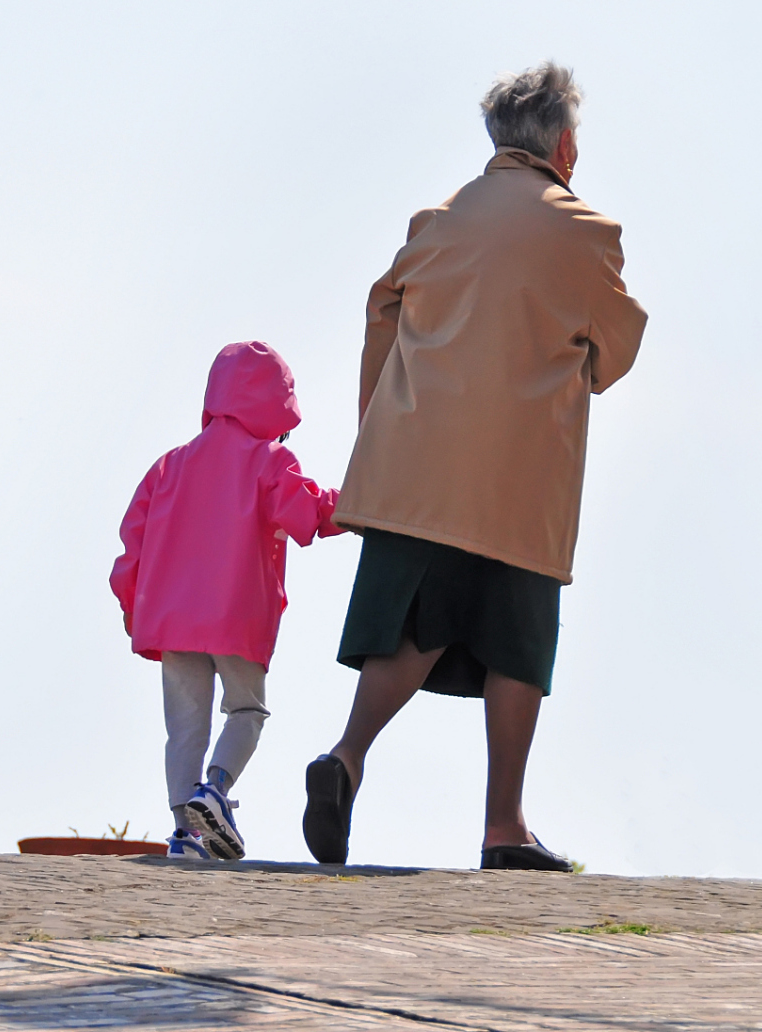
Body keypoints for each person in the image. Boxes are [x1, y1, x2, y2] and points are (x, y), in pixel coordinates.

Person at [303, 62, 647, 870]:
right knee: (515, 642)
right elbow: (616, 350)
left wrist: (378, 435)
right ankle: (503, 826)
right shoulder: (587, 235)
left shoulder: (436, 223)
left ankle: (346, 756)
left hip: (420, 469)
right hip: (521, 477)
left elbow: (382, 319)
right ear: (565, 145)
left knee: (416, 627)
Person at [111, 341, 344, 860]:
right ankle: (215, 789)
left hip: (170, 618)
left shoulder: (168, 466)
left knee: (184, 728)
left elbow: (133, 544)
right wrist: (358, 506)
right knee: (246, 709)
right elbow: (306, 514)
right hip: (236, 615)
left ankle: (185, 834)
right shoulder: (270, 460)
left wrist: (133, 608)